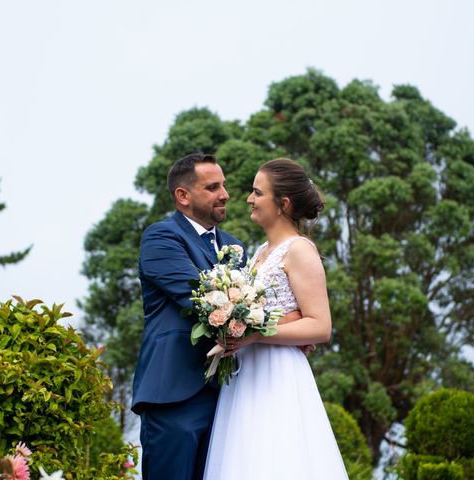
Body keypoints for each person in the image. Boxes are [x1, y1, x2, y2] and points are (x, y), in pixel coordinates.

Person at [203, 158, 349, 479]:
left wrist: (256, 334)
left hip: (278, 373)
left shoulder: (299, 250)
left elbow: (320, 325)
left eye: (258, 193)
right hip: (248, 374)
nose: (249, 199)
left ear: (282, 204)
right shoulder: (258, 253)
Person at [131, 153, 247, 480]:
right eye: (212, 187)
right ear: (183, 196)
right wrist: (263, 319)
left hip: (230, 396)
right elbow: (200, 296)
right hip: (174, 394)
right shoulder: (161, 237)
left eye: (223, 185)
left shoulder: (236, 248)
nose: (225, 194)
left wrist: (286, 329)